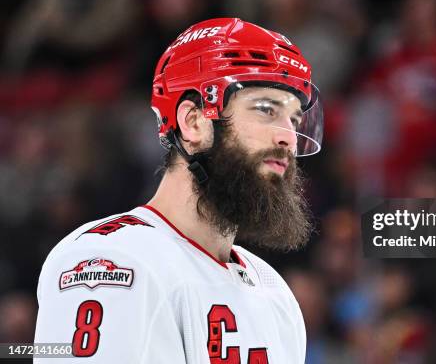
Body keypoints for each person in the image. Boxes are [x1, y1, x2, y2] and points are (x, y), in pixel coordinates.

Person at [34, 18, 324, 363]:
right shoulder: (109, 262)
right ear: (193, 121)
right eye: (265, 109)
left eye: (293, 119)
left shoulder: (273, 290)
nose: (288, 137)